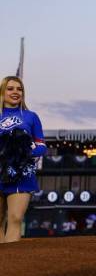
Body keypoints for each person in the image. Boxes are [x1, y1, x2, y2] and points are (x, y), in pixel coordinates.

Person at [0, 76, 47, 243]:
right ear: (2, 92)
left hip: (22, 173)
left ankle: (11, 265)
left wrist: (24, 152)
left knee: (15, 218)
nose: (15, 92)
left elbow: (42, 146)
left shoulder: (31, 116)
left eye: (19, 89)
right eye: (10, 88)